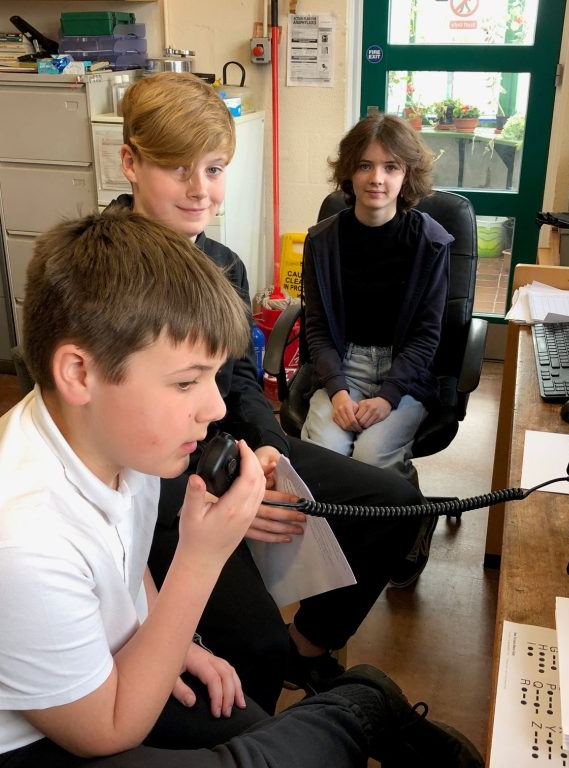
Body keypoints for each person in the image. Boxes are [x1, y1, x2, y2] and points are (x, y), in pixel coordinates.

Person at [0, 212, 483, 768]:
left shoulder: (119, 444)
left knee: (252, 728)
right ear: (80, 373)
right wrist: (201, 559)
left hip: (74, 693)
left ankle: (348, 714)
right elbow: (106, 730)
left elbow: (125, 568)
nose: (212, 408)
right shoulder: (8, 541)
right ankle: (364, 707)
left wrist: (173, 640)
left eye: (213, 378)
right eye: (185, 384)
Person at [111, 72, 424, 709]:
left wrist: (271, 447)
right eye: (177, 169)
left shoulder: (223, 264)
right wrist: (222, 499)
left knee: (393, 504)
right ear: (130, 165)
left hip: (229, 448)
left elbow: (244, 379)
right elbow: (111, 451)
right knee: (250, 643)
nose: (201, 191)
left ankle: (305, 653)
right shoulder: (106, 277)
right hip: (156, 483)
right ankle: (255, 707)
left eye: (215, 168)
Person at [300, 113, 452, 588]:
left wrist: (388, 395)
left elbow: (427, 336)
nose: (377, 179)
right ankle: (341, 552)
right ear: (348, 172)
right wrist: (337, 390)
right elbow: (318, 328)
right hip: (341, 368)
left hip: (403, 373)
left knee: (371, 459)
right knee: (322, 455)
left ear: (407, 175)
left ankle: (410, 521)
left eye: (390, 167)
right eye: (365, 166)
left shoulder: (431, 242)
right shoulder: (323, 241)